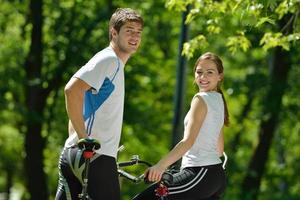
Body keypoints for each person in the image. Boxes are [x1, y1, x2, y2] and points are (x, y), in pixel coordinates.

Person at [55, 8, 143, 200]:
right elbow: (72, 90)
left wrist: (77, 138)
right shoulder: (110, 60)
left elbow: (80, 102)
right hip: (95, 156)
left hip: (73, 154)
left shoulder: (114, 64)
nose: (135, 36)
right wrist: (83, 137)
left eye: (138, 32)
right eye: (129, 30)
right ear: (114, 32)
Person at [133, 52, 229, 200]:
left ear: (220, 76)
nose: (203, 77)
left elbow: (188, 141)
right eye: (199, 72)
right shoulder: (218, 99)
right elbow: (219, 149)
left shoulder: (200, 99)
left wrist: (161, 166)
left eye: (210, 72)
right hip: (214, 175)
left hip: (200, 173)